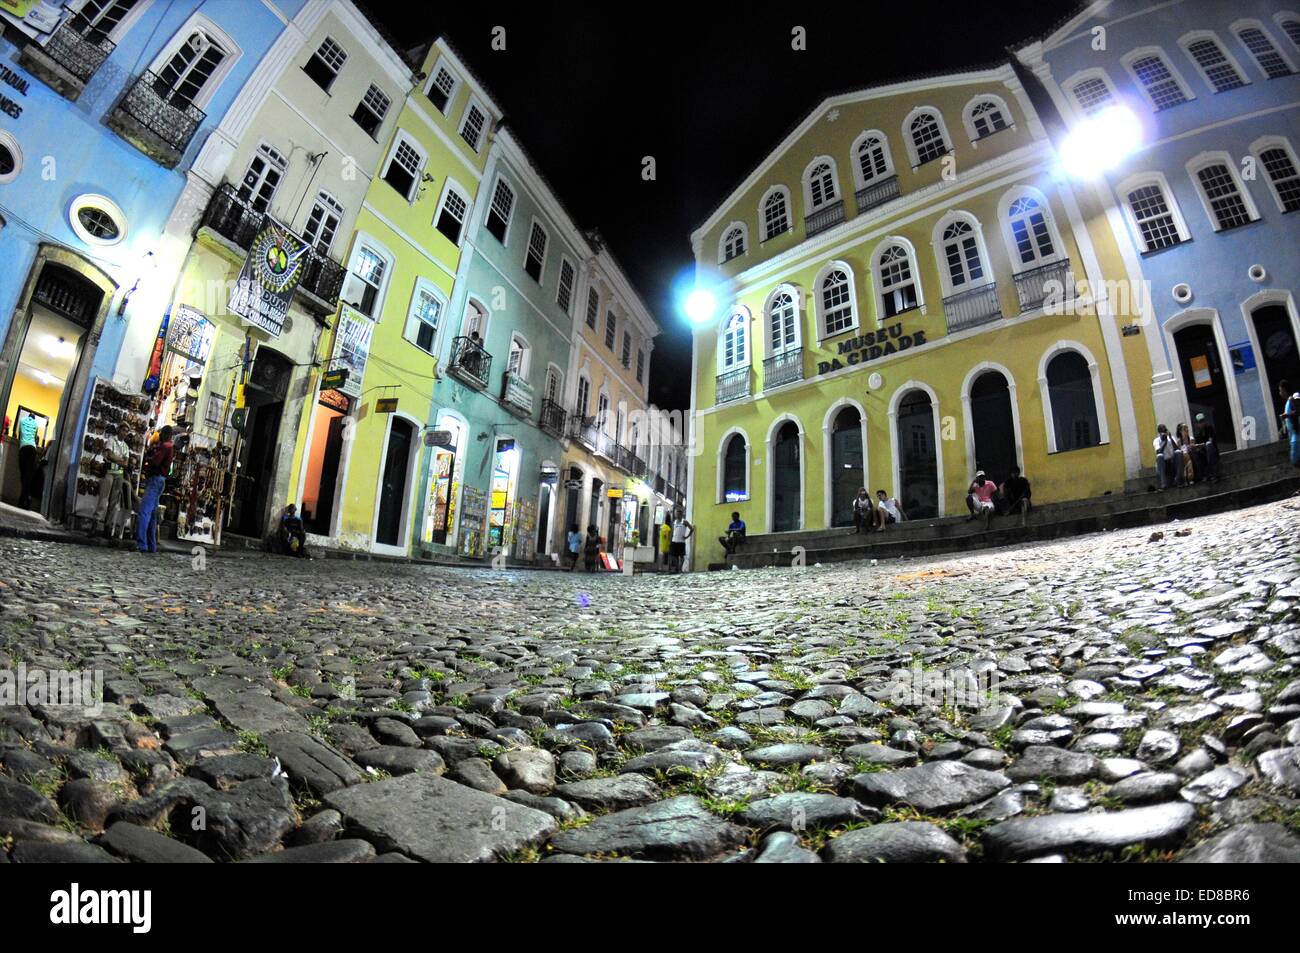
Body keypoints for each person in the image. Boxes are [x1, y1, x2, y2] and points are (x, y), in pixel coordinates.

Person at [135, 425, 174, 554]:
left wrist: (149, 459)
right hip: (160, 481)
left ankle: (142, 544)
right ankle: (151, 545)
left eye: (161, 433)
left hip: (155, 480)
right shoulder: (169, 447)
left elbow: (156, 462)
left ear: (165, 434)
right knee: (152, 515)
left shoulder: (165, 446)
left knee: (144, 512)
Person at [90, 422, 132, 537]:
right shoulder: (111, 440)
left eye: (127, 431)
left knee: (113, 503)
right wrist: (120, 460)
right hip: (109, 473)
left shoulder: (126, 447)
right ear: (119, 430)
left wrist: (116, 458)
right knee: (103, 500)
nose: (125, 433)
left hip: (119, 475)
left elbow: (126, 463)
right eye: (123, 430)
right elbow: (109, 455)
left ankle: (107, 529)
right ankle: (94, 525)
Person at [16, 410, 41, 510]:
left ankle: (23, 499)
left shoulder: (22, 420)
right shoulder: (36, 424)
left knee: (23, 475)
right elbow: (35, 438)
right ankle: (25, 499)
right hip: (32, 450)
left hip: (23, 448)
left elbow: (19, 434)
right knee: (28, 476)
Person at [1193, 413, 1220, 483]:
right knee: (1195, 452)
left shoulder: (1210, 429)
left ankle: (1213, 474)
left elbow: (1211, 441)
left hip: (1212, 452)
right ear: (1197, 424)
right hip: (1204, 453)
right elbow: (1198, 446)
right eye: (1199, 422)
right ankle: (1203, 475)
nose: (1201, 423)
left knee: (1208, 445)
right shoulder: (1197, 434)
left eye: (1202, 421)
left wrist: (1201, 445)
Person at [1280, 379, 1300, 469]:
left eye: (1280, 390)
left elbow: (1298, 411)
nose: (1280, 393)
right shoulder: (1288, 402)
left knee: (1295, 460)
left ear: (1284, 390)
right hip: (1293, 436)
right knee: (1295, 461)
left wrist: (1287, 415)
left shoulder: (1292, 399)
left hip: (1297, 436)